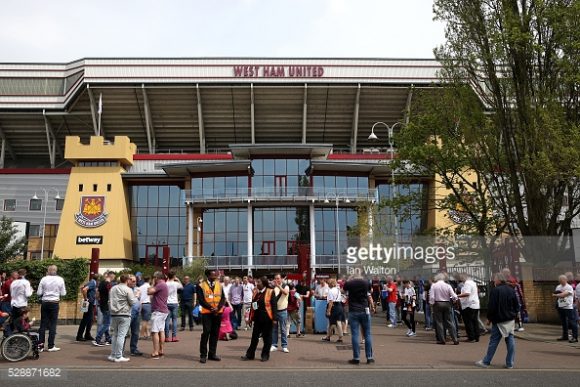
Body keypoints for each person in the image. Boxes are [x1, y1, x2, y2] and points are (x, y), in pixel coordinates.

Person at [475, 272, 519, 369]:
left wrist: (489, 319)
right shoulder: (511, 290)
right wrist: (514, 315)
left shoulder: (495, 290)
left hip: (498, 319)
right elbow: (516, 305)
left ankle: (486, 361)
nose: (493, 280)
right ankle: (510, 363)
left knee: (494, 341)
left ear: (499, 280)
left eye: (494, 279)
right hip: (510, 319)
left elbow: (492, 307)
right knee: (510, 340)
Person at [241, 276, 277, 362]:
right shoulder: (256, 293)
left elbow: (274, 306)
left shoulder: (270, 292)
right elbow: (253, 306)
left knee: (267, 338)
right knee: (254, 338)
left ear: (264, 283)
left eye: (259, 282)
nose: (257, 284)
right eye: (257, 282)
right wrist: (250, 318)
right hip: (257, 319)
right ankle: (250, 355)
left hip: (267, 319)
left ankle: (265, 355)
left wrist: (274, 319)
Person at [343, 274, 375, 365]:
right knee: (367, 334)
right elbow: (371, 291)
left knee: (355, 335)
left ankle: (356, 358)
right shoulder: (366, 282)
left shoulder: (349, 283)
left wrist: (349, 279)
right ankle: (369, 357)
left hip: (353, 311)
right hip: (365, 310)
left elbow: (343, 290)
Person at [197, 269, 225, 363]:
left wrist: (218, 307)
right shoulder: (201, 285)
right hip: (207, 313)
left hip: (218, 312)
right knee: (206, 332)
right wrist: (211, 308)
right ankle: (203, 355)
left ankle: (212, 354)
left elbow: (223, 298)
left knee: (215, 333)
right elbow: (201, 300)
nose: (215, 277)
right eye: (213, 275)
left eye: (215, 275)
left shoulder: (219, 285)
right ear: (208, 276)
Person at [107, 274, 137, 363]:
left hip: (113, 314)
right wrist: (137, 296)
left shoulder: (113, 288)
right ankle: (118, 356)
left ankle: (113, 354)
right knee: (121, 336)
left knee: (115, 335)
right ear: (127, 280)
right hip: (124, 314)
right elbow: (132, 302)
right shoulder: (128, 289)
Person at [37, 265, 66, 352]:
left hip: (45, 302)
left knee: (43, 324)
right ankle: (51, 346)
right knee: (53, 324)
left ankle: (40, 346)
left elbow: (39, 293)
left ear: (48, 271)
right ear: (56, 271)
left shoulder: (43, 279)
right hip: (54, 303)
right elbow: (63, 293)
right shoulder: (60, 279)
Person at [429, 273, 459, 345]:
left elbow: (432, 297)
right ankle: (455, 339)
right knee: (449, 321)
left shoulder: (434, 286)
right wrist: (454, 299)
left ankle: (442, 339)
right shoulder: (448, 285)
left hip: (437, 303)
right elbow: (454, 296)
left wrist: (432, 304)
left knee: (439, 322)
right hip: (447, 303)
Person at [147, 271, 169, 359]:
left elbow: (149, 292)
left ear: (156, 278)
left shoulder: (159, 284)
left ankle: (156, 351)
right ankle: (161, 350)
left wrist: (152, 284)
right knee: (161, 331)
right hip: (163, 310)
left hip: (158, 311)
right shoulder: (164, 284)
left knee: (155, 332)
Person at [553, 274, 578, 343]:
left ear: (565, 280)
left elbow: (564, 294)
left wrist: (558, 295)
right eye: (559, 281)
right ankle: (565, 336)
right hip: (560, 306)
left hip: (568, 307)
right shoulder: (558, 286)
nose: (560, 282)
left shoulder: (569, 287)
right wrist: (558, 295)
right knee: (563, 322)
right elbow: (556, 294)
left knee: (572, 322)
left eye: (562, 280)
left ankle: (575, 337)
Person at [457, 273, 480, 343]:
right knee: (475, 321)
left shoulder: (467, 283)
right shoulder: (473, 283)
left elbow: (467, 293)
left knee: (468, 321)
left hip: (469, 305)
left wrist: (457, 296)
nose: (460, 279)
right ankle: (476, 336)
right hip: (475, 304)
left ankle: (471, 337)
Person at [271, 273, 290, 353]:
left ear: (281, 279)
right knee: (274, 329)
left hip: (283, 311)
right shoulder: (273, 288)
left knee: (283, 329)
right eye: (275, 278)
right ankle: (274, 345)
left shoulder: (285, 286)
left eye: (278, 278)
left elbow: (285, 293)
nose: (277, 280)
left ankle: (284, 346)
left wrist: (278, 286)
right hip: (274, 311)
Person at [93, 272, 114, 346]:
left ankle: (108, 339)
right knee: (107, 324)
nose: (113, 279)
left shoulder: (101, 283)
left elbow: (97, 294)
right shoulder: (108, 284)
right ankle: (98, 339)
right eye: (113, 277)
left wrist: (99, 300)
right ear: (111, 276)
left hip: (101, 304)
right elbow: (111, 295)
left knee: (105, 322)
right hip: (106, 305)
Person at [76, 273, 98, 342]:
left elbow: (82, 288)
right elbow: (84, 289)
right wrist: (86, 299)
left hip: (91, 303)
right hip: (90, 303)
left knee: (90, 319)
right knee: (85, 319)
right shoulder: (93, 283)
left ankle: (87, 334)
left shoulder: (90, 282)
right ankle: (79, 336)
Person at [322, 278, 344, 343]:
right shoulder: (338, 290)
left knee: (331, 322)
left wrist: (328, 311)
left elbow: (331, 302)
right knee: (338, 322)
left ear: (330, 284)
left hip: (333, 307)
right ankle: (340, 337)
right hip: (339, 306)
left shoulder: (330, 291)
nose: (327, 285)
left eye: (328, 283)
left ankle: (328, 336)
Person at [164, 270, 183, 342]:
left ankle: (166, 337)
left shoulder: (166, 283)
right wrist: (178, 279)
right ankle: (174, 337)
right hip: (174, 303)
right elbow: (181, 287)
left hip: (167, 303)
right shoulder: (176, 283)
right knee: (174, 320)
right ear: (174, 276)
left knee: (167, 320)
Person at [127, 274, 143, 357]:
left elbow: (140, 300)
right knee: (124, 333)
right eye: (132, 281)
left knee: (135, 333)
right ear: (128, 281)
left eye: (135, 281)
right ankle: (119, 351)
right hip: (128, 313)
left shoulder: (137, 289)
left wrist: (140, 307)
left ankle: (134, 349)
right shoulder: (125, 290)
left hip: (137, 313)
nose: (134, 282)